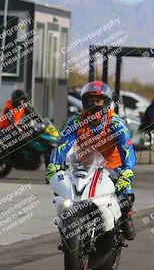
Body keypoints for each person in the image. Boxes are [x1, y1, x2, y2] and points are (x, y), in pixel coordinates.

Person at [46, 81, 137, 240]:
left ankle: (126, 217)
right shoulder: (76, 121)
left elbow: (127, 148)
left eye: (98, 101)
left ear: (106, 103)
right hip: (84, 166)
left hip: (112, 167)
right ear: (84, 102)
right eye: (90, 101)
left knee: (125, 193)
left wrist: (127, 170)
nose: (94, 105)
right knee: (66, 193)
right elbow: (62, 145)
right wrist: (53, 166)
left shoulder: (116, 123)